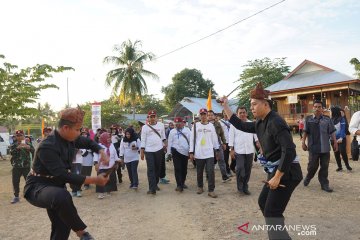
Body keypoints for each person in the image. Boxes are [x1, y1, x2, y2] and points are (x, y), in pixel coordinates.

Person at [220, 82, 303, 240]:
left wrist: (278, 176)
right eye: (251, 104)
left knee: (272, 211)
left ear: (265, 104)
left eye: (254, 104)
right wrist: (226, 106)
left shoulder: (276, 122)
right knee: (264, 202)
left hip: (287, 172)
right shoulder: (260, 121)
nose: (251, 108)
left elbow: (289, 150)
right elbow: (241, 125)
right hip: (276, 170)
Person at [24, 107, 110, 240]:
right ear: (65, 128)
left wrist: (101, 151)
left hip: (56, 187)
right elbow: (62, 175)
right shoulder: (47, 146)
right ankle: (83, 234)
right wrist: (95, 180)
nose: (78, 133)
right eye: (77, 130)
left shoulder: (71, 138)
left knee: (62, 226)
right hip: (38, 187)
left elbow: (87, 142)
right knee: (62, 196)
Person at [302, 100, 338, 192]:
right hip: (313, 147)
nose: (317, 108)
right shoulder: (308, 119)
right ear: (313, 108)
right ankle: (308, 177)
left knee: (324, 167)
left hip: (325, 148)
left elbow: (332, 131)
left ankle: (324, 184)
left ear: (322, 109)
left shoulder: (327, 119)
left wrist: (335, 142)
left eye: (319, 107)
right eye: (315, 107)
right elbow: (305, 131)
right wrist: (303, 142)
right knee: (312, 166)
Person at [189, 108, 220, 198]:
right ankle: (200, 187)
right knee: (199, 171)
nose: (203, 116)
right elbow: (192, 139)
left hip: (209, 153)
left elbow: (214, 139)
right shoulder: (195, 126)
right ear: (199, 115)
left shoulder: (211, 126)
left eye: (204, 114)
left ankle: (211, 190)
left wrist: (217, 150)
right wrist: (191, 152)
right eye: (201, 114)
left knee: (210, 172)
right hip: (199, 152)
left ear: (207, 115)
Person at [229, 106, 259, 195]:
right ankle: (240, 188)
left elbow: (256, 137)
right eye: (240, 113)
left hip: (249, 150)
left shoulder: (251, 124)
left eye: (243, 112)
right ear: (237, 114)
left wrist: (258, 144)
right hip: (239, 151)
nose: (242, 114)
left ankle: (245, 187)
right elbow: (231, 138)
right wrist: (231, 150)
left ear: (246, 113)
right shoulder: (234, 125)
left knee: (247, 170)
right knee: (240, 168)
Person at [140, 110, 167, 195]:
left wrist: (165, 145)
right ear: (148, 118)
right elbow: (143, 140)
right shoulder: (145, 127)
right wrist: (142, 151)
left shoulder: (161, 125)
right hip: (149, 151)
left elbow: (163, 137)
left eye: (153, 116)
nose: (152, 118)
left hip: (159, 150)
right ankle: (152, 188)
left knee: (157, 168)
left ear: (156, 117)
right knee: (151, 169)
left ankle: (155, 184)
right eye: (150, 116)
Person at [10, 130, 35, 204]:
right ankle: (16, 197)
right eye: (17, 136)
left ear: (24, 136)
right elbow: (11, 153)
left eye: (21, 135)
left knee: (29, 181)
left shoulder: (28, 143)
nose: (19, 137)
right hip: (16, 167)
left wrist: (29, 148)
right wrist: (17, 148)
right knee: (15, 182)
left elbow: (34, 151)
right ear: (15, 137)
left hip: (26, 166)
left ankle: (31, 195)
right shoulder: (13, 145)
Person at [167, 117, 191, 192]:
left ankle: (182, 182)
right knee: (177, 168)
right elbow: (169, 142)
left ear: (182, 123)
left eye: (179, 123)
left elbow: (190, 141)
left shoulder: (187, 130)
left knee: (184, 169)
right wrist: (168, 153)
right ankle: (179, 185)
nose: (177, 125)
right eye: (176, 123)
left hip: (185, 152)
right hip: (175, 151)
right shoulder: (172, 131)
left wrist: (191, 151)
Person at [94, 132, 120, 199]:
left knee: (110, 178)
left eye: (109, 138)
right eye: (107, 138)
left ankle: (108, 191)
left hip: (110, 165)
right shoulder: (98, 146)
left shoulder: (112, 145)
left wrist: (117, 162)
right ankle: (101, 193)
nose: (109, 139)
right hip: (102, 166)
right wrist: (96, 163)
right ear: (103, 138)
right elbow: (96, 155)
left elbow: (115, 155)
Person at [207, 110, 231, 183]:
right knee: (209, 162)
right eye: (209, 115)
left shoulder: (218, 124)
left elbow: (222, 134)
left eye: (211, 115)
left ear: (214, 116)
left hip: (218, 144)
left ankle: (224, 177)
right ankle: (208, 177)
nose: (210, 116)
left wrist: (224, 143)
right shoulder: (205, 124)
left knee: (221, 160)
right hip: (208, 145)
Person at [331, 106, 352, 171]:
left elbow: (343, 129)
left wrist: (341, 137)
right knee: (336, 153)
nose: (331, 112)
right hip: (333, 139)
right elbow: (330, 130)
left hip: (341, 139)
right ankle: (339, 167)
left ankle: (347, 165)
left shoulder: (342, 119)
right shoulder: (331, 120)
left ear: (335, 112)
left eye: (332, 111)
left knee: (343, 151)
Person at [219, 111, 232, 177]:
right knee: (226, 157)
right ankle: (227, 170)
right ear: (223, 114)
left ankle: (232, 166)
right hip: (225, 142)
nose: (225, 114)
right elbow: (220, 133)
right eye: (224, 113)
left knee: (234, 157)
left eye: (226, 112)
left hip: (232, 142)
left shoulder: (232, 121)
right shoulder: (220, 122)